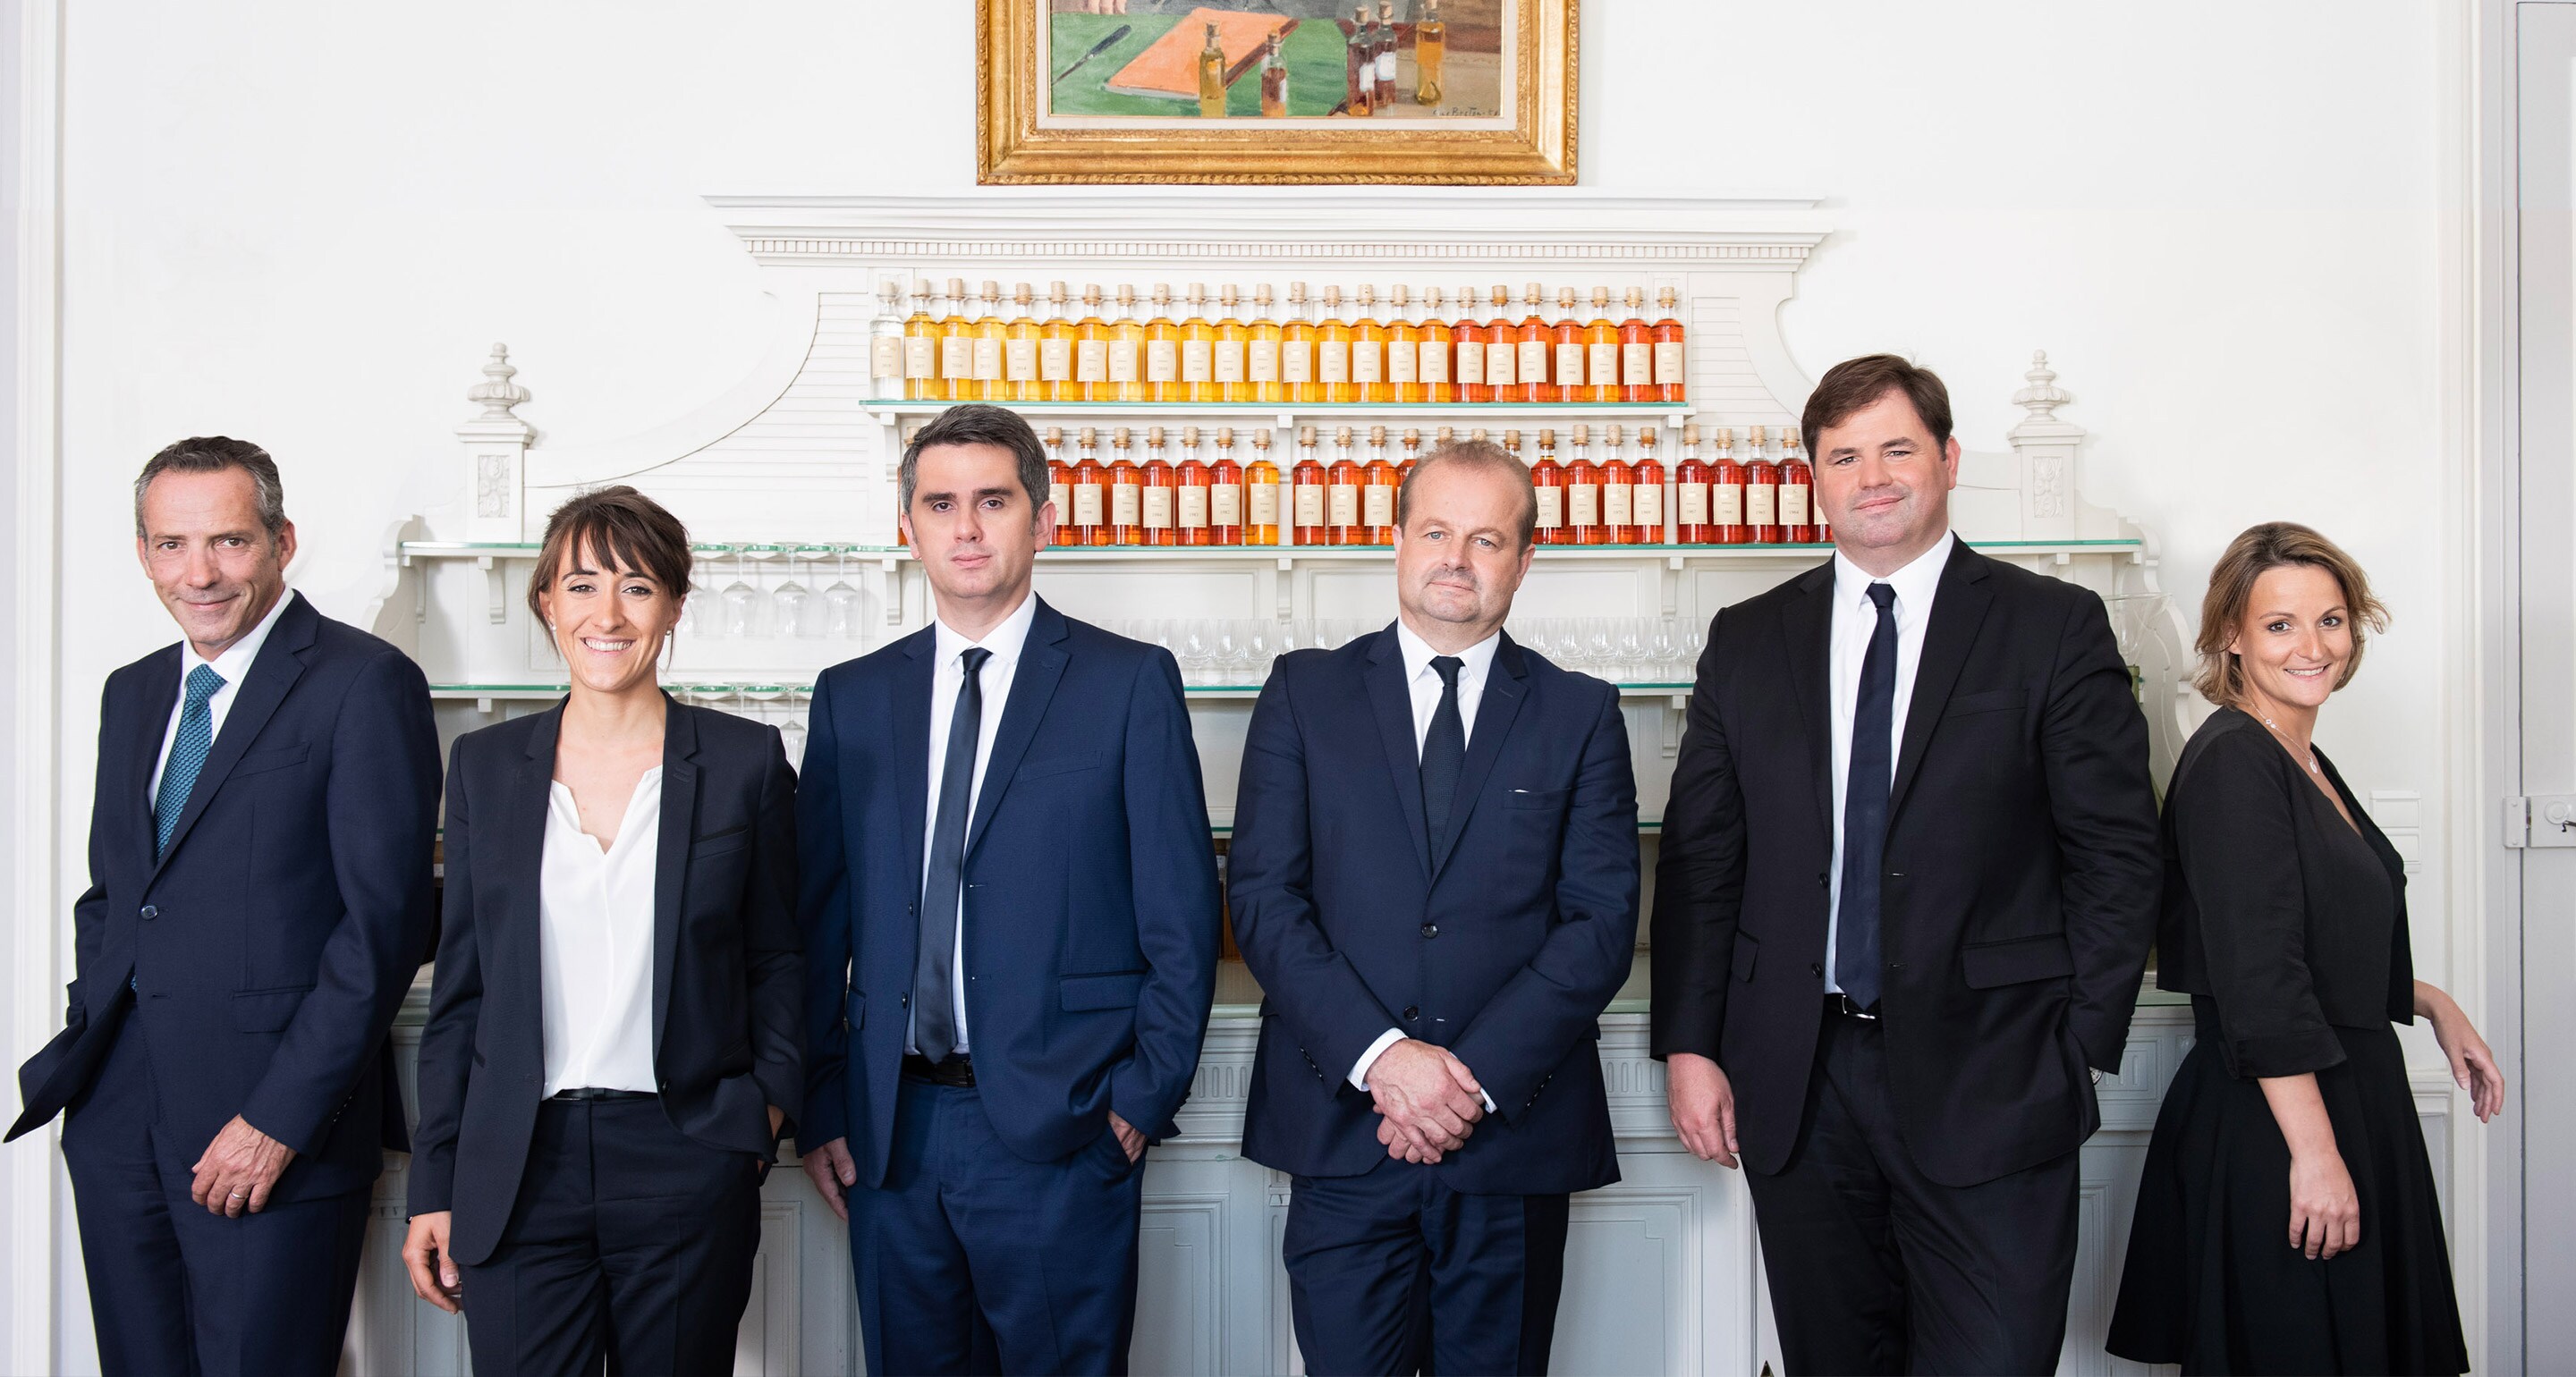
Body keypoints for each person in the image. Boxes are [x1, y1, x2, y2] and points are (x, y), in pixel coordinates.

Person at [1649, 354, 2164, 1374]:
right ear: (1815, 478)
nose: (1872, 477)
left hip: (1997, 1070)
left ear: (1948, 459)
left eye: (1896, 449)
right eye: (1844, 456)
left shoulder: (2050, 626)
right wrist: (1691, 1046)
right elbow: (1704, 861)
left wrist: (2078, 1043)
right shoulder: (1748, 639)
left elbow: (2117, 850)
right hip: (1798, 1078)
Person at [796, 402, 1222, 1376]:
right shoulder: (852, 696)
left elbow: (1182, 916)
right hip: (890, 1133)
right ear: (908, 527)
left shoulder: (1127, 683)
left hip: (1064, 1126)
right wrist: (823, 1105)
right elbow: (816, 924)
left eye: (993, 501)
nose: (967, 527)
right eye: (940, 504)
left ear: (1043, 519)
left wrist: (1139, 1100)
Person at [7, 437, 441, 1376]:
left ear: (283, 541)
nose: (198, 573)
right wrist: (90, 1030)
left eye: (229, 542)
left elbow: (383, 928)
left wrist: (279, 1120)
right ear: (143, 552)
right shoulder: (134, 692)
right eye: (171, 544)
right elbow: (117, 895)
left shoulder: (363, 682)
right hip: (118, 1122)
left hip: (268, 1127)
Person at [1230, 439, 1640, 1376]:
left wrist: (1466, 1085)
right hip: (1345, 1130)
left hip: (1512, 1138)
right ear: (1398, 541)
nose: (1457, 558)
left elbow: (1600, 923)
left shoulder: (1581, 712)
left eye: (1487, 539)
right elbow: (1263, 898)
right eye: (1437, 532)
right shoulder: (1303, 693)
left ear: (1524, 561)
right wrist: (1385, 1061)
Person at [402, 487, 802, 1376]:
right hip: (517, 1162)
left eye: (638, 586)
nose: (607, 615)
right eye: (582, 586)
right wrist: (435, 1183)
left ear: (674, 605)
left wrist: (760, 1117)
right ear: (547, 601)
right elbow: (463, 992)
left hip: (687, 1149)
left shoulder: (743, 761)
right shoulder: (484, 767)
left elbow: (780, 956)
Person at [2107, 522, 2499, 1375]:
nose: (2312, 646)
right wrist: (2317, 1157)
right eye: (2280, 624)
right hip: (2282, 1118)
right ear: (2231, 637)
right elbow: (2259, 981)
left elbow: (2311, 939)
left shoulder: (2297, 754)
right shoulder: (2235, 764)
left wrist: (2432, 1002)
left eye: (2331, 620)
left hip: (2339, 1094)